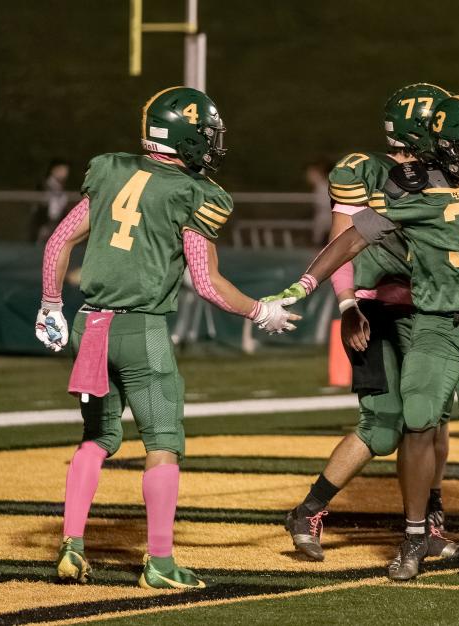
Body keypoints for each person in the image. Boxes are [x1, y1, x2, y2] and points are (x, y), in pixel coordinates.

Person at [264, 94, 459, 580]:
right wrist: (327, 297)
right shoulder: (399, 185)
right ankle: (369, 520)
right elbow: (351, 238)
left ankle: (458, 530)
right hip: (407, 314)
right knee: (398, 424)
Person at [36, 87, 297, 589]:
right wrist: (260, 310)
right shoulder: (194, 193)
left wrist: (50, 303)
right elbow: (206, 280)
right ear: (190, 138)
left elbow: (59, 240)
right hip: (142, 329)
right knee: (162, 445)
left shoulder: (111, 169)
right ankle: (158, 562)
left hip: (89, 325)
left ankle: (71, 547)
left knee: (96, 439)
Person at [284, 83, 459, 563]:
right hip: (376, 309)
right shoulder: (362, 171)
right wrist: (346, 305)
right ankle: (308, 510)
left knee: (432, 421)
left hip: (430, 309)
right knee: (383, 426)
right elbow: (340, 244)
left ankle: (429, 520)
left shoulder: (451, 172)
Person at [30, 159, 71, 243]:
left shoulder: (61, 187)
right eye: (62, 170)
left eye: (66, 170)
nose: (65, 173)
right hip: (42, 226)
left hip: (55, 227)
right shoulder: (43, 185)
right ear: (53, 170)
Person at [306, 158, 334, 245]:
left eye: (311, 173)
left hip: (326, 217)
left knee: (320, 242)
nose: (308, 176)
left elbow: (326, 205)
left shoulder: (324, 187)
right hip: (324, 216)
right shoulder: (322, 186)